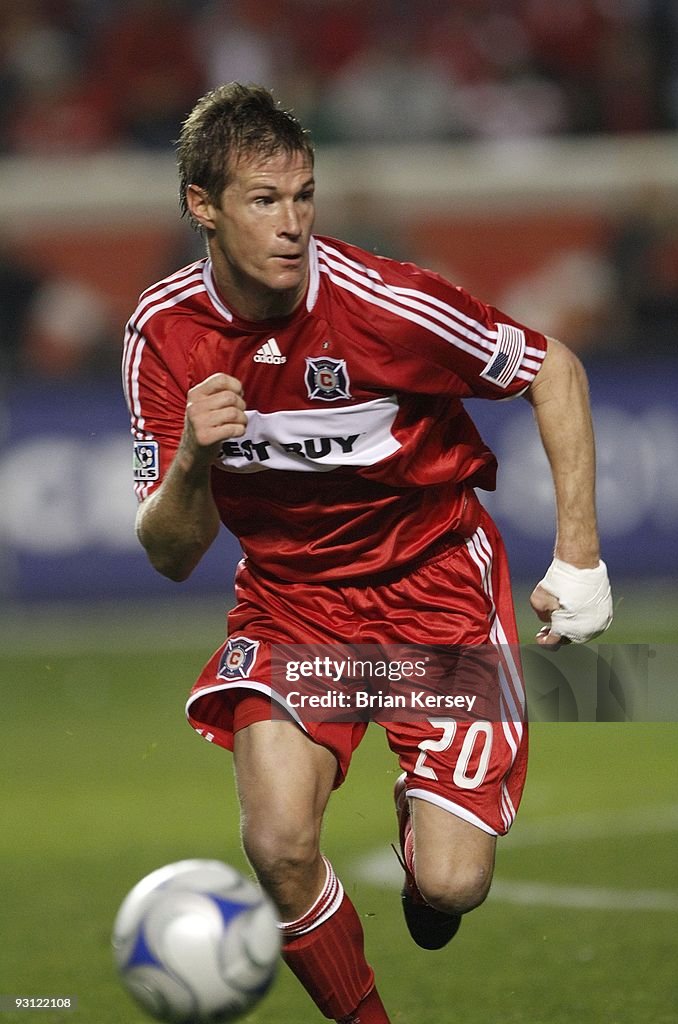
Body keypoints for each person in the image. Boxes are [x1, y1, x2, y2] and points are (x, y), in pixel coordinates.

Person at [122, 83, 613, 1024]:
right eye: (264, 200)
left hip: (435, 594)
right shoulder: (163, 335)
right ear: (202, 205)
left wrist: (578, 556)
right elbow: (169, 553)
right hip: (293, 604)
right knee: (276, 842)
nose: (293, 222)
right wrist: (192, 455)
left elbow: (552, 367)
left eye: (303, 195)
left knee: (453, 887)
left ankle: (424, 847)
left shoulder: (385, 304)